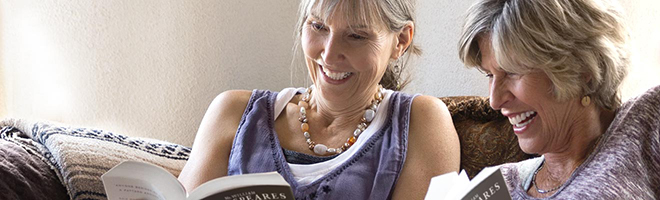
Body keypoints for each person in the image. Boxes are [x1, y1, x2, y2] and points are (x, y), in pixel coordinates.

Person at [178, 0, 461, 199]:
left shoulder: (421, 122)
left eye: (356, 36)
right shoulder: (233, 112)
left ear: (400, 41)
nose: (328, 53)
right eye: (318, 27)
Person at [458, 0, 660, 198]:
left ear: (581, 68)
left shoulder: (647, 122)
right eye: (490, 75)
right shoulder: (498, 186)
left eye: (511, 72)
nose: (495, 100)